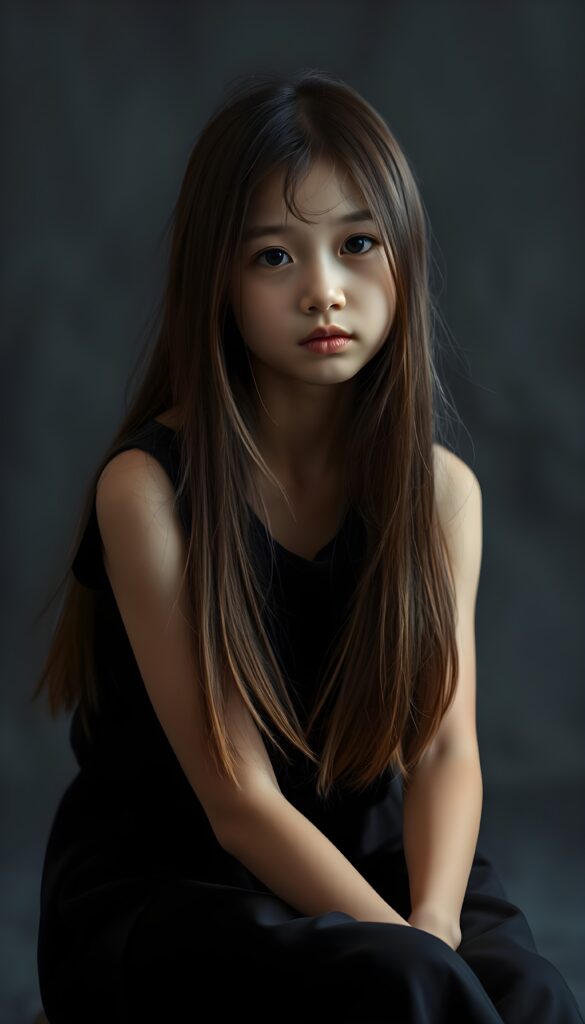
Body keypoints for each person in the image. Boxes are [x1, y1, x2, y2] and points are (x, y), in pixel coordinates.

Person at [32, 69, 584, 1024]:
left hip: (376, 855)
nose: (324, 292)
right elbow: (237, 802)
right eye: (274, 258)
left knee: (532, 993)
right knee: (402, 986)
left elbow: (446, 748)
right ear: (218, 280)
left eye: (358, 244)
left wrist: (435, 917)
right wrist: (407, 949)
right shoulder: (149, 490)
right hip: (175, 885)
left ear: (403, 258)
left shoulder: (442, 492)